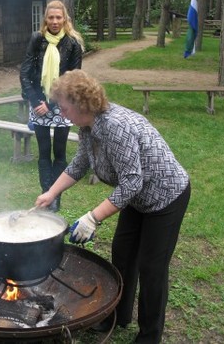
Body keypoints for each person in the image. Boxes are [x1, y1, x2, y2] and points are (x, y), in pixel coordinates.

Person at [36, 70, 191, 344]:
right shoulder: (86, 127)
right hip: (137, 197)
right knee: (123, 254)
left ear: (81, 103)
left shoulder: (115, 125)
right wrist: (51, 193)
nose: (61, 112)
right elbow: (80, 164)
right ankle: (118, 315)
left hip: (166, 196)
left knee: (152, 267)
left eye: (64, 106)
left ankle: (149, 335)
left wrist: (92, 218)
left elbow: (132, 182)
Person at [19, 0, 84, 212]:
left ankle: (56, 196)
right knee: (44, 152)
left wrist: (50, 103)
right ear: (45, 19)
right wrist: (37, 102)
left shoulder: (72, 44)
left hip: (62, 105)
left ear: (65, 19)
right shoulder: (37, 40)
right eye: (51, 17)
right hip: (38, 104)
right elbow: (25, 73)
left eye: (59, 17)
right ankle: (46, 192)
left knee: (60, 153)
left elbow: (72, 79)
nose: (55, 21)